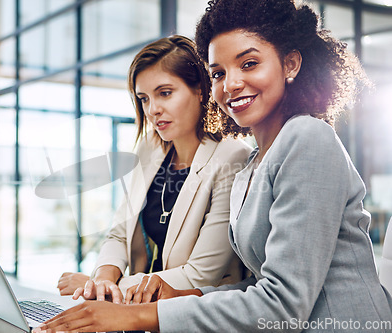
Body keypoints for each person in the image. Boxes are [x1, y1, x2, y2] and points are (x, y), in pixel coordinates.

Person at [34, 0, 392, 332]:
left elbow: (284, 304)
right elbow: (260, 285)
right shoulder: (255, 161)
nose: (231, 84)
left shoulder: (307, 137)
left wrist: (136, 314)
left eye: (249, 63)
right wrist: (186, 297)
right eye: (218, 73)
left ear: (291, 64)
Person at [57, 35, 252, 304]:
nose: (152, 110)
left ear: (200, 90)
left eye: (165, 93)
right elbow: (119, 232)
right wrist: (101, 279)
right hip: (138, 313)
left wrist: (111, 287)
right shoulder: (150, 147)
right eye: (144, 99)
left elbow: (201, 276)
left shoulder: (233, 157)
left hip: (193, 315)